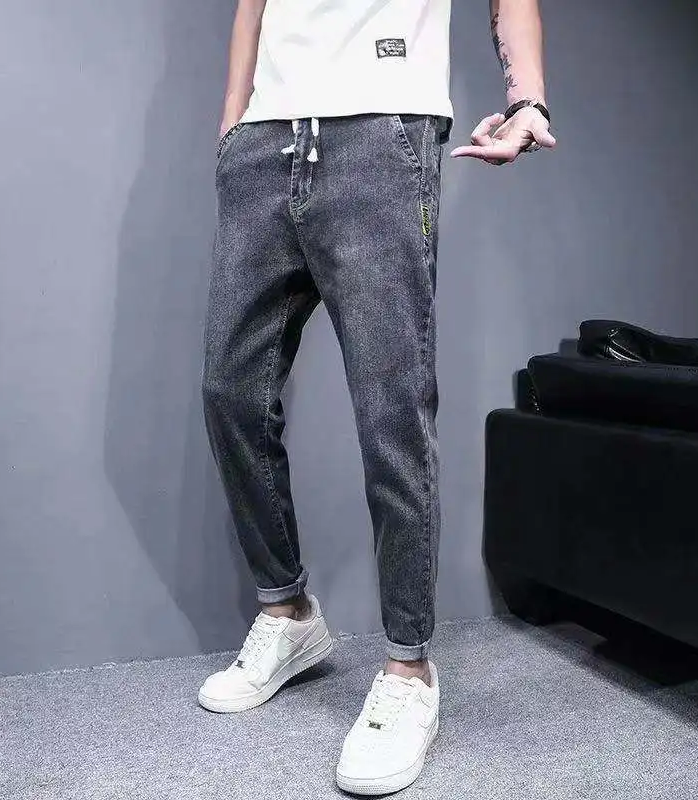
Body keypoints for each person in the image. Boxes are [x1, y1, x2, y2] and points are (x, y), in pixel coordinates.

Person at [198, 0, 554, 793]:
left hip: (380, 135)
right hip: (264, 142)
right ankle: (288, 613)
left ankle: (408, 669)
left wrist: (528, 96)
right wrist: (234, 128)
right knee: (230, 390)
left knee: (391, 411)